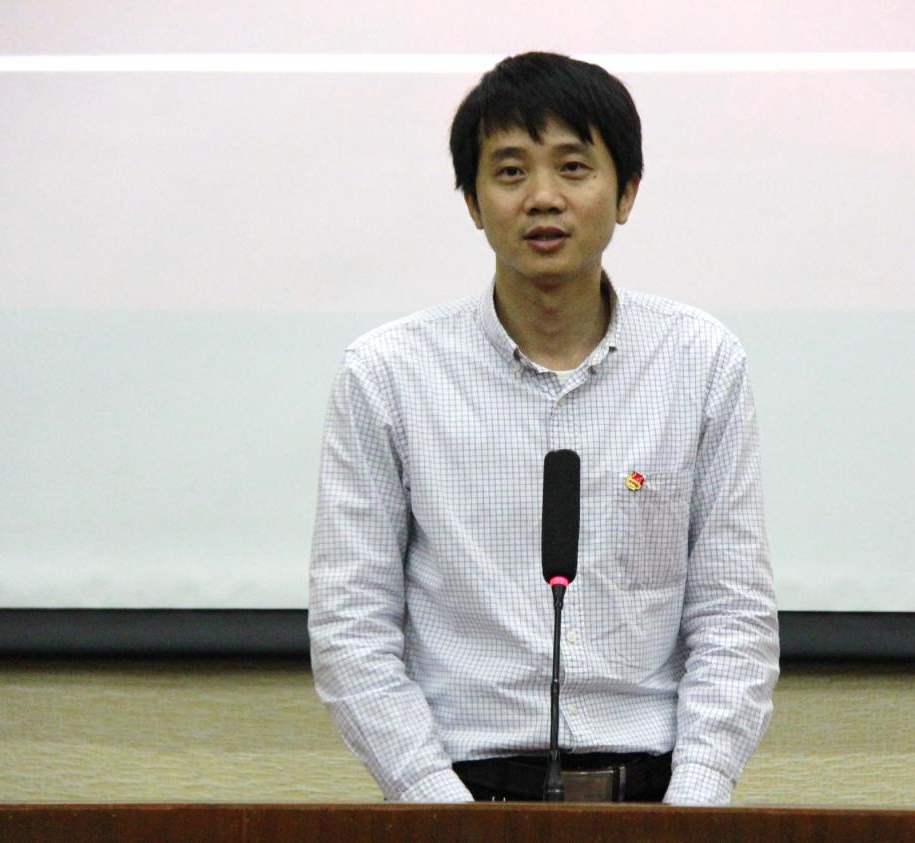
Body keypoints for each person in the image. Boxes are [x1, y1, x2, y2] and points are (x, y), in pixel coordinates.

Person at [309, 51, 779, 804]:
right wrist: (440, 807)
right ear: (473, 202)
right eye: (509, 172)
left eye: (573, 167)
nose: (543, 198)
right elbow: (351, 626)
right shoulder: (388, 374)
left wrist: (692, 808)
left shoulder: (700, 362)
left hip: (653, 798)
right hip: (460, 795)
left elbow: (733, 613)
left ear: (626, 192)